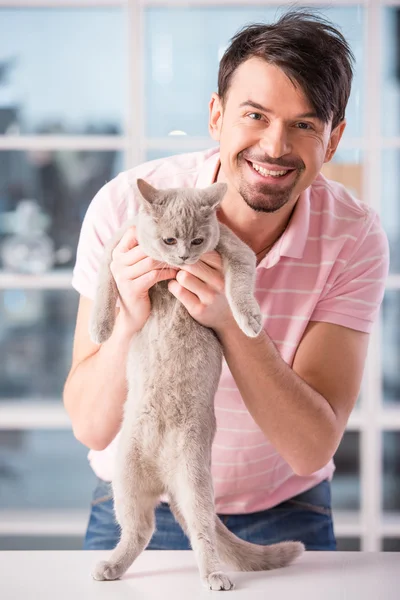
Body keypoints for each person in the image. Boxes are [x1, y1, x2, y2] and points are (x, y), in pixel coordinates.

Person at [63, 10, 389, 552]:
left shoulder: (352, 238)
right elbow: (91, 427)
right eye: (255, 115)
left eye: (304, 124)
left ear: (333, 141)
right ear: (216, 116)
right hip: (141, 495)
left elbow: (311, 449)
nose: (275, 146)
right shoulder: (129, 205)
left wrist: (231, 322)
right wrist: (128, 323)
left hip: (283, 508)